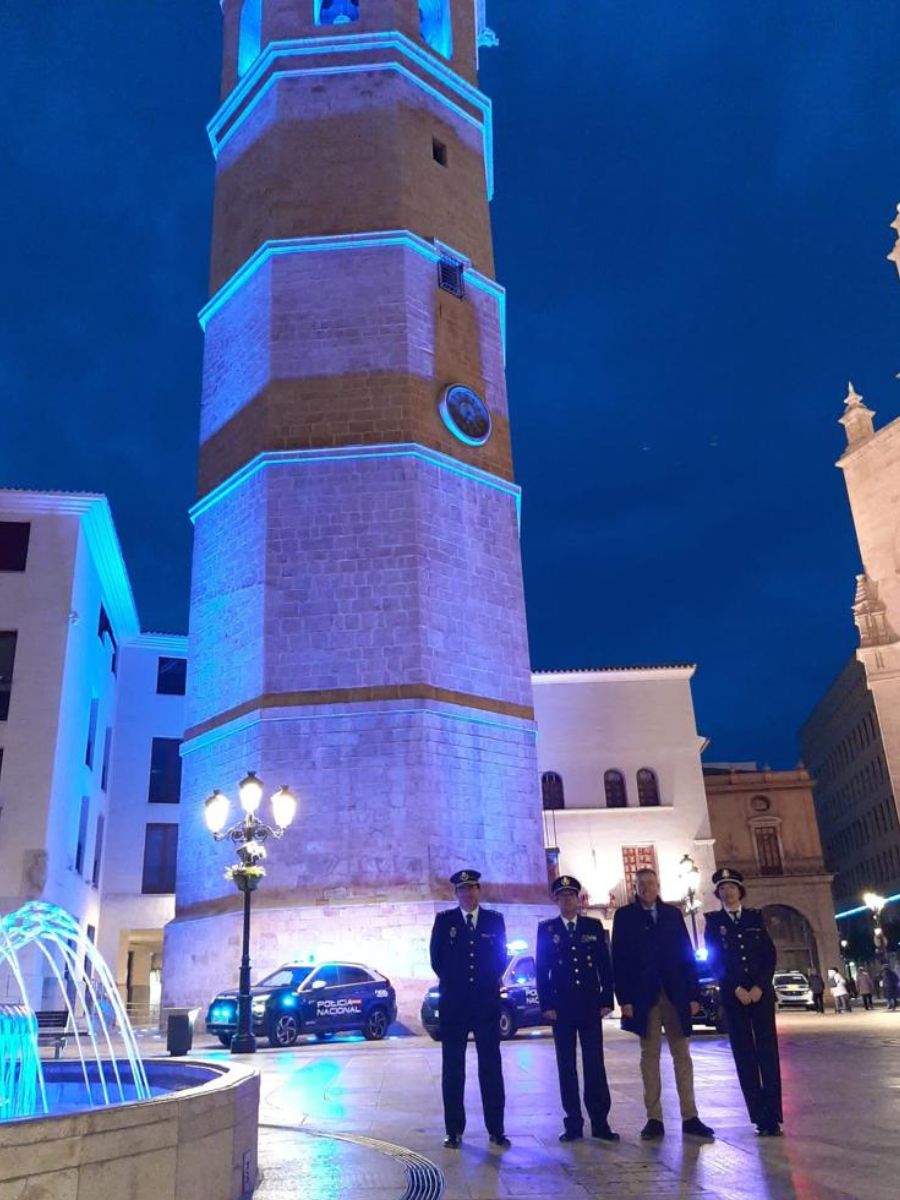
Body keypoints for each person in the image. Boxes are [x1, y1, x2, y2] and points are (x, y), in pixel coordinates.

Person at [611, 867, 714, 1141]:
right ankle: (654, 1117)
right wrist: (625, 1000)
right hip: (645, 997)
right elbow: (619, 961)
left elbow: (686, 954)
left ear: (658, 886)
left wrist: (694, 995)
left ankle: (690, 1115)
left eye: (650, 883)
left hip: (675, 994)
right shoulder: (624, 917)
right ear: (635, 888)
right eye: (641, 883)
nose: (646, 887)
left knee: (682, 1055)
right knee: (650, 1056)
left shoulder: (672, 915)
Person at [429, 868, 509, 1148]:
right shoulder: (444, 921)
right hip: (455, 1006)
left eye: (472, 888)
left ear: (479, 891)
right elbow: (436, 960)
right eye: (462, 890)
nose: (468, 893)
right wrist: (459, 984)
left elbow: (501, 957)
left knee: (491, 1067)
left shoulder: (493, 921)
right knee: (453, 1068)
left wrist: (483, 985)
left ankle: (496, 1129)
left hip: (485, 1005)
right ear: (456, 894)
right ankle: (454, 1130)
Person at [536, 875, 619, 1143]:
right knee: (566, 1065)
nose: (567, 900)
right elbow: (541, 970)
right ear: (556, 900)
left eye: (571, 895)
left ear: (578, 899)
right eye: (562, 896)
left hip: (589, 1005)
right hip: (561, 1007)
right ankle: (573, 1122)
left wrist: (607, 999)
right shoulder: (547, 929)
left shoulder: (592, 926)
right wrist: (546, 1004)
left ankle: (600, 1121)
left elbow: (604, 966)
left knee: (595, 1064)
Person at [703, 868, 783, 1136]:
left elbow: (768, 955)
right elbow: (715, 960)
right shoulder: (714, 923)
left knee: (768, 1053)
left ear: (740, 891)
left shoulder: (755, 918)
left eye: (731, 887)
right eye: (722, 889)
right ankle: (759, 1116)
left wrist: (760, 985)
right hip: (734, 996)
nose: (727, 892)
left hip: (760, 995)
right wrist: (735, 987)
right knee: (744, 1056)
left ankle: (773, 1115)